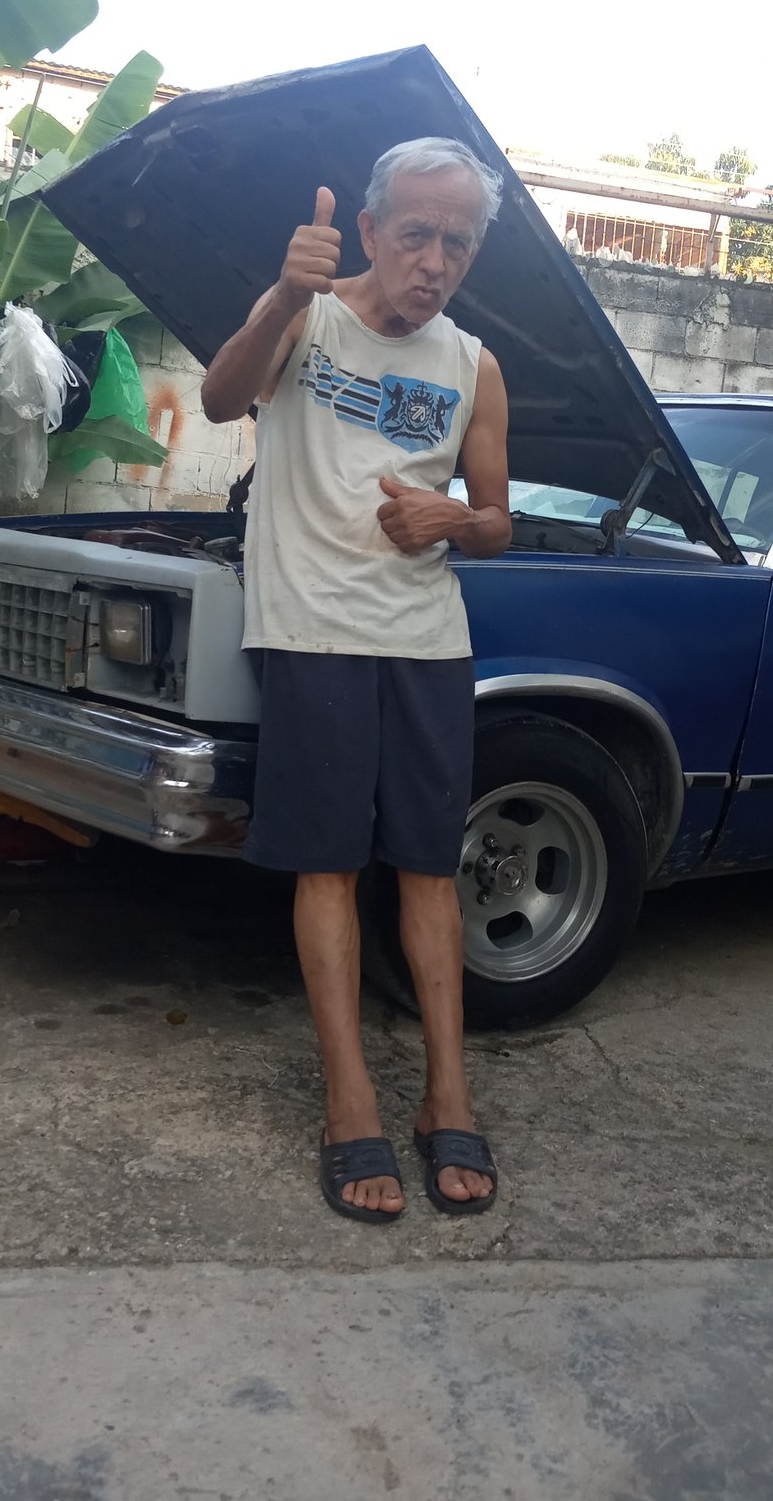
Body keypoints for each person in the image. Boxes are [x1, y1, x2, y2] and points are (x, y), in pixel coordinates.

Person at [203, 137, 512, 1222]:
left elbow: (497, 521)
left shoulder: (472, 364)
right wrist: (284, 296)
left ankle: (446, 1095)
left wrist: (454, 519)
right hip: (312, 631)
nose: (435, 261)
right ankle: (349, 1102)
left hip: (427, 638)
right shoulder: (307, 314)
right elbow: (219, 397)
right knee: (327, 864)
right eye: (416, 234)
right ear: (371, 231)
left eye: (457, 243)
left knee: (429, 867)